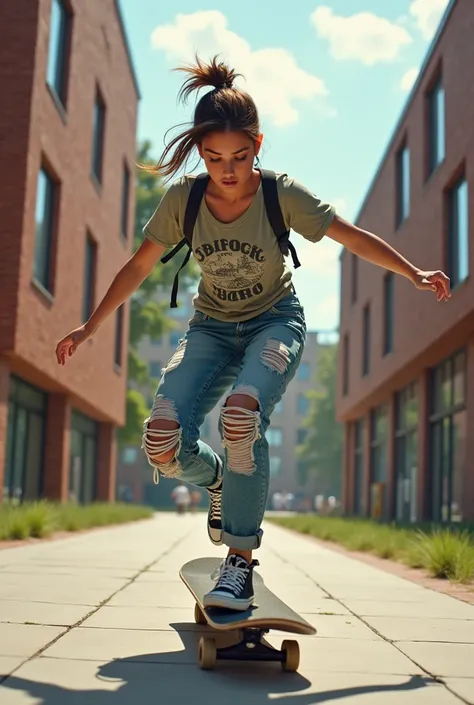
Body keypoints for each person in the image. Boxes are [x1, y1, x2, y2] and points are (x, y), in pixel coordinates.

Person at [55, 55, 450, 612]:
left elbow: (351, 237)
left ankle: (238, 562)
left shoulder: (280, 195)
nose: (229, 169)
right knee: (162, 441)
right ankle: (216, 481)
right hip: (211, 330)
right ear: (199, 153)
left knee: (240, 418)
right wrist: (91, 326)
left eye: (240, 156)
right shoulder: (184, 200)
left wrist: (412, 272)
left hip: (274, 322)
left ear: (258, 145)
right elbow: (137, 266)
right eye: (215, 158)